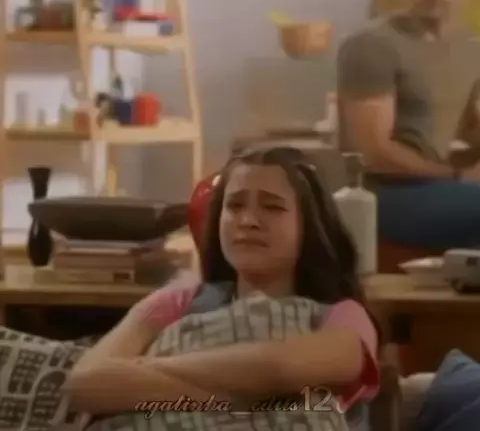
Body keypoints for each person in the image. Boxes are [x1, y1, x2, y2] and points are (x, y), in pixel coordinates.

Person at [63, 147, 380, 430]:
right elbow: (85, 383)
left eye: (272, 207)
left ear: (309, 224)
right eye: (235, 206)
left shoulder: (343, 315)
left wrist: (139, 372)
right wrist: (250, 399)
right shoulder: (179, 300)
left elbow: (277, 367)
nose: (248, 220)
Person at [337, 0, 480, 250]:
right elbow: (374, 152)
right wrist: (456, 176)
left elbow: (468, 128)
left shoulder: (471, 48)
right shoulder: (373, 45)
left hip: (445, 189)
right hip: (387, 194)